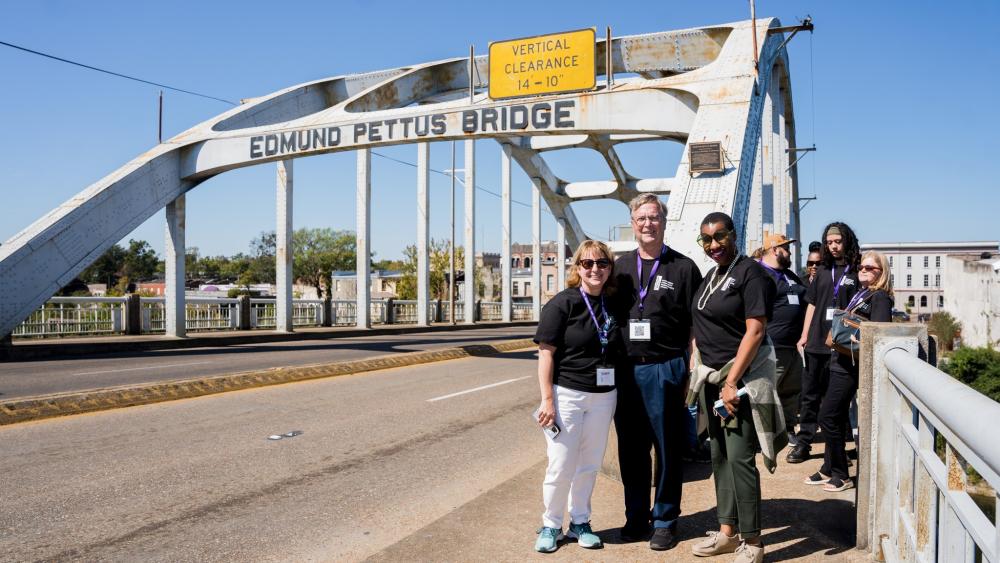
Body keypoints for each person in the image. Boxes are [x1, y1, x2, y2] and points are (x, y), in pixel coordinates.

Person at [612, 193, 703, 550]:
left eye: (654, 218)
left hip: (666, 367)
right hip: (626, 371)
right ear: (633, 223)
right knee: (631, 450)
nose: (648, 224)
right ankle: (636, 517)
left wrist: (692, 369)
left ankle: (665, 519)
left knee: (667, 448)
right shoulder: (618, 268)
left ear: (664, 223)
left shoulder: (683, 267)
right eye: (641, 219)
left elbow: (696, 324)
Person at [689, 212, 779, 563]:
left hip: (737, 382)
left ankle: (753, 542)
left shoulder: (749, 273)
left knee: (740, 459)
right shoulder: (712, 275)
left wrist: (730, 382)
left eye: (719, 236)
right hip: (711, 380)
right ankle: (727, 532)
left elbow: (755, 330)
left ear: (733, 234)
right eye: (706, 240)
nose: (714, 245)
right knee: (720, 456)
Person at [533, 240, 624, 553]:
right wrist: (547, 400)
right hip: (567, 395)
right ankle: (551, 525)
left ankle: (581, 523)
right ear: (578, 268)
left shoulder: (613, 303)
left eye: (602, 263)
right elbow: (546, 354)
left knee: (589, 464)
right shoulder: (563, 303)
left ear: (610, 268)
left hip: (603, 396)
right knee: (560, 464)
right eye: (587, 264)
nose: (595, 269)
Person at [804, 250, 893, 492]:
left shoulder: (880, 298)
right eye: (862, 267)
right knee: (837, 415)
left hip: (850, 366)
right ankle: (828, 467)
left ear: (881, 272)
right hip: (840, 361)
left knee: (828, 417)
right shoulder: (863, 293)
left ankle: (841, 474)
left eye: (870, 268)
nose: (863, 270)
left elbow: (878, 336)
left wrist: (842, 341)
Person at [788, 223, 861, 464]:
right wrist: (804, 334)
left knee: (836, 401)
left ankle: (835, 451)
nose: (833, 246)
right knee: (809, 396)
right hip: (816, 342)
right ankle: (804, 443)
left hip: (841, 345)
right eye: (829, 243)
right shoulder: (822, 270)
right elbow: (811, 303)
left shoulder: (856, 271)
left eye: (837, 242)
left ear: (846, 241)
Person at [756, 234, 807, 443]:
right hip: (770, 346)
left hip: (793, 347)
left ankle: (788, 429)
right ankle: (764, 435)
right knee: (767, 392)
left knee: (791, 391)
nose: (789, 252)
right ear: (775, 249)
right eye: (786, 248)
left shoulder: (790, 275)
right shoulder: (758, 274)